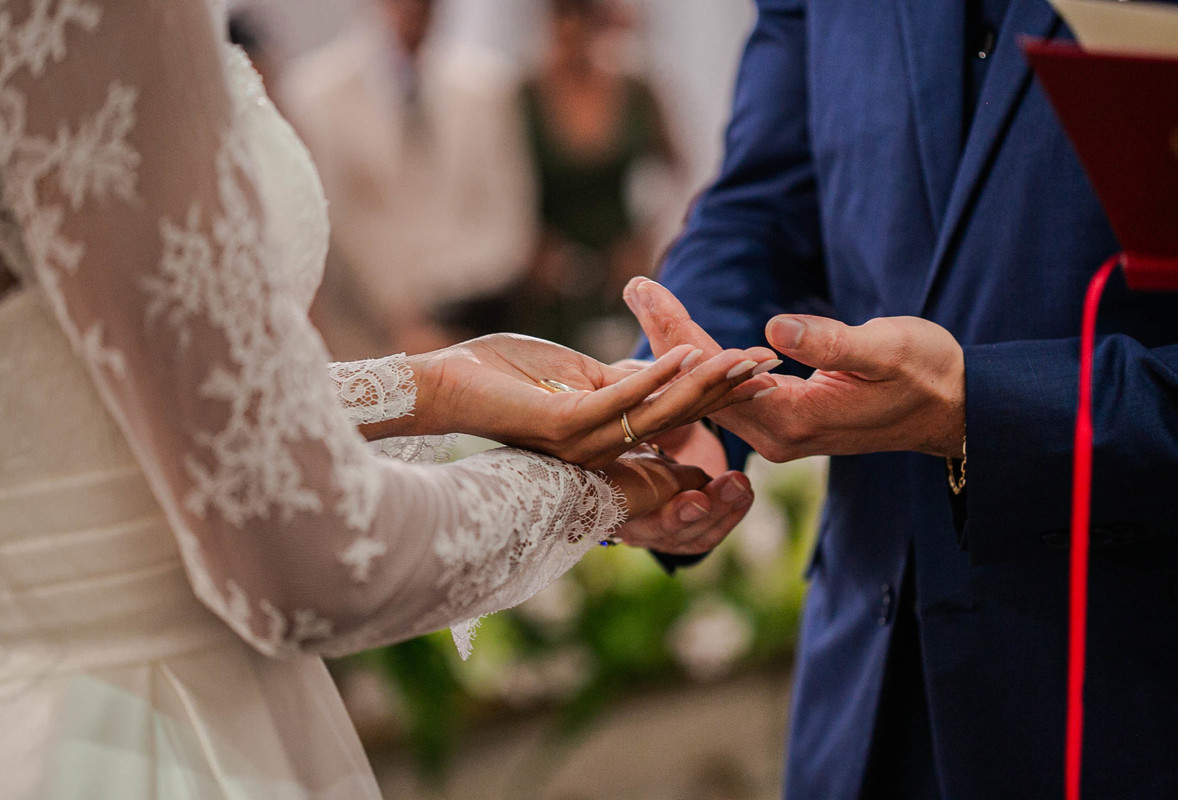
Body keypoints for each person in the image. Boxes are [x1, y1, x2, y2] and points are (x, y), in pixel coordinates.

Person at [0, 1, 778, 797]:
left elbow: (117, 415)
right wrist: (598, 490)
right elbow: (304, 558)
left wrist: (432, 388)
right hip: (137, 723)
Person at [623, 0, 1178, 798]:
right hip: (867, 694)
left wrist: (989, 410)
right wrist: (682, 398)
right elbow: (764, 208)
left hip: (1147, 693)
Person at [282, 0, 537, 356]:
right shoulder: (314, 94)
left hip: (468, 326)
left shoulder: (487, 87)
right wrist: (399, 313)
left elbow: (508, 220)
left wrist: (440, 305)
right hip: (360, 336)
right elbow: (334, 221)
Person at [513, 0, 684, 360]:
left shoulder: (635, 90)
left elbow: (676, 169)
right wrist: (531, 247)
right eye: (562, 16)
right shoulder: (522, 95)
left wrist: (647, 237)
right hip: (546, 282)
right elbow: (498, 187)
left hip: (621, 269)